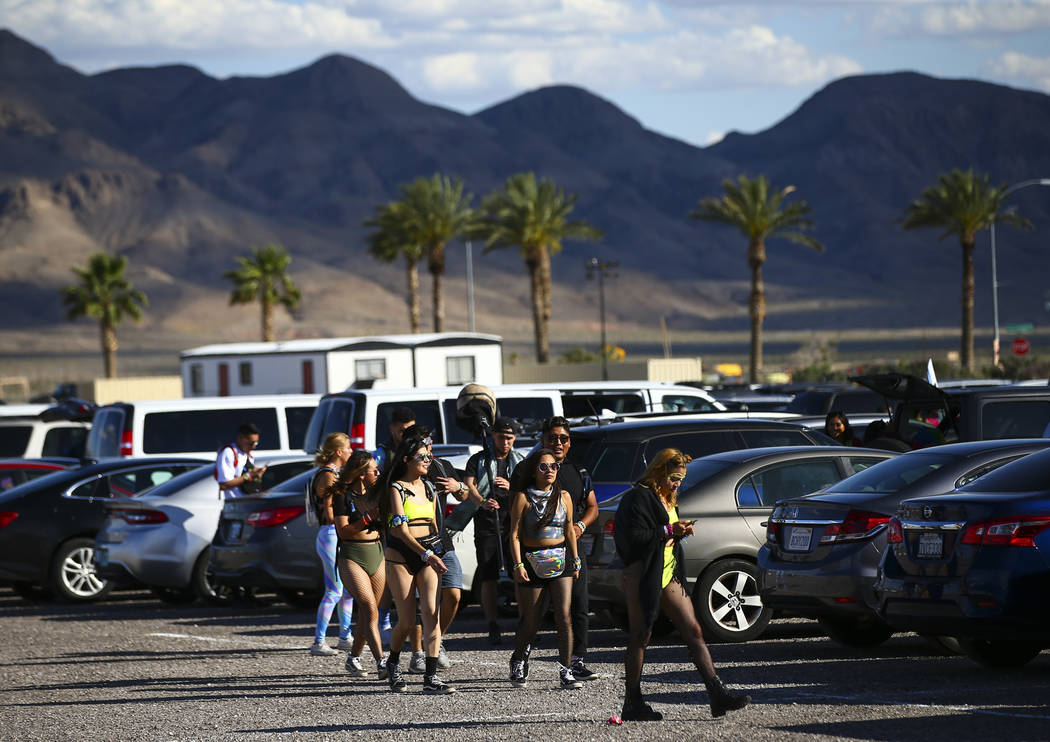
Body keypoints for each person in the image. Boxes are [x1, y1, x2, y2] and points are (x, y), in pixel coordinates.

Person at [614, 448, 750, 721]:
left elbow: (665, 534)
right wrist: (669, 531)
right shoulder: (639, 497)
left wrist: (680, 531)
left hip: (668, 571)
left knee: (694, 631)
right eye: (674, 477)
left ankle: (717, 694)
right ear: (659, 472)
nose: (677, 484)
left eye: (681, 479)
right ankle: (632, 702)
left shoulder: (668, 497)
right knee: (641, 636)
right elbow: (634, 537)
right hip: (643, 574)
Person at [380, 433, 456, 694]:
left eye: (429, 456)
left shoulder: (430, 487)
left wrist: (437, 551)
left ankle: (431, 677)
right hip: (402, 556)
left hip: (429, 554)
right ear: (406, 460)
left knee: (432, 615)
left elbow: (435, 523)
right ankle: (392, 662)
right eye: (422, 457)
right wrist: (426, 554)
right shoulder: (396, 488)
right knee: (407, 620)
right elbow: (400, 531)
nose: (428, 460)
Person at [507, 448, 582, 690]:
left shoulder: (565, 496)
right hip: (531, 559)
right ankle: (519, 657)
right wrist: (518, 564)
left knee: (564, 615)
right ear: (533, 471)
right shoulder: (523, 497)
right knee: (532, 618)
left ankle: (566, 671)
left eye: (553, 466)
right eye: (543, 466)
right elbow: (515, 534)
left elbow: (569, 528)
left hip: (561, 558)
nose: (549, 470)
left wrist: (576, 558)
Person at [532, 416, 599, 681]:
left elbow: (593, 506)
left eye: (563, 438)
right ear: (543, 440)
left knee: (579, 604)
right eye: (553, 438)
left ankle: (576, 661)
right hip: (538, 548)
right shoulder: (531, 469)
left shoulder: (579, 472)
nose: (558, 443)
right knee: (536, 607)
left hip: (571, 547)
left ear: (570, 443)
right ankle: (522, 655)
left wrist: (581, 526)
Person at [407, 423, 469, 670]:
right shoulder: (406, 469)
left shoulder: (441, 466)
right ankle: (418, 652)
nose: (427, 447)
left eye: (429, 441)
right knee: (422, 603)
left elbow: (465, 495)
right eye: (422, 443)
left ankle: (435, 641)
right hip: (412, 544)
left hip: (441, 541)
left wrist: (458, 487)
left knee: (453, 593)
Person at [463, 416, 524, 645]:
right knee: (488, 576)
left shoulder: (520, 462)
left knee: (519, 572)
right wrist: (481, 502)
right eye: (501, 437)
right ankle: (492, 623)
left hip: (514, 522)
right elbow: (469, 485)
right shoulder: (479, 460)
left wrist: (512, 487)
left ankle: (524, 622)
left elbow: (530, 488)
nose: (505, 442)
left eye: (509, 438)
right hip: (487, 523)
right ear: (492, 436)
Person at [330, 449, 387, 679]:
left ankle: (353, 658)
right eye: (374, 470)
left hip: (376, 551)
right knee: (368, 606)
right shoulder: (342, 496)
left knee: (368, 612)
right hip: (352, 554)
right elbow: (343, 532)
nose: (378, 472)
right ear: (362, 474)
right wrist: (368, 518)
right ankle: (382, 662)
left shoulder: (377, 493)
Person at [309, 433, 355, 656]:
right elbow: (329, 508)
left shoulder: (336, 473)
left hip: (335, 534)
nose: (351, 452)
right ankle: (318, 642)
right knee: (334, 590)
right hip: (330, 533)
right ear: (338, 452)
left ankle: (345, 636)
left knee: (347, 590)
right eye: (348, 448)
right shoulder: (328, 475)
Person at [373, 405, 416, 645]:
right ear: (392, 430)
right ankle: (384, 620)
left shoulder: (418, 451)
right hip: (390, 518)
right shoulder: (383, 453)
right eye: (401, 430)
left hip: (414, 520)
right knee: (389, 573)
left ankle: (405, 620)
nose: (405, 435)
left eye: (409, 430)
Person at [215, 423, 268, 498]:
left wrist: (257, 474)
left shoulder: (247, 455)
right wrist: (249, 475)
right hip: (235, 504)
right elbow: (224, 484)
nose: (254, 446)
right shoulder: (229, 453)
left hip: (248, 503)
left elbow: (245, 477)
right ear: (240, 438)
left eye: (256, 443)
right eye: (251, 443)